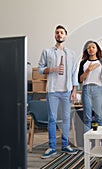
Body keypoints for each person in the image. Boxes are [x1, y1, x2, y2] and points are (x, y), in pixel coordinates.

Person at [38, 25, 78, 159]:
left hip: (66, 91)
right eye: (57, 33)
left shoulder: (71, 54)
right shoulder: (47, 52)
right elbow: (40, 69)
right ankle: (52, 147)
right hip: (52, 91)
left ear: (65, 35)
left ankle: (65, 145)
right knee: (52, 119)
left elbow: (74, 74)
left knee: (66, 118)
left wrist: (74, 90)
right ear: (55, 36)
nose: (59, 35)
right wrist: (52, 69)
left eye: (62, 33)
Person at [78, 40, 102, 133]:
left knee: (99, 117)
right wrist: (88, 70)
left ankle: (100, 142)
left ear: (97, 49)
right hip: (86, 89)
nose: (91, 49)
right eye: (89, 47)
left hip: (98, 89)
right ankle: (88, 143)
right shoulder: (83, 63)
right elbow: (80, 79)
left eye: (93, 47)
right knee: (87, 118)